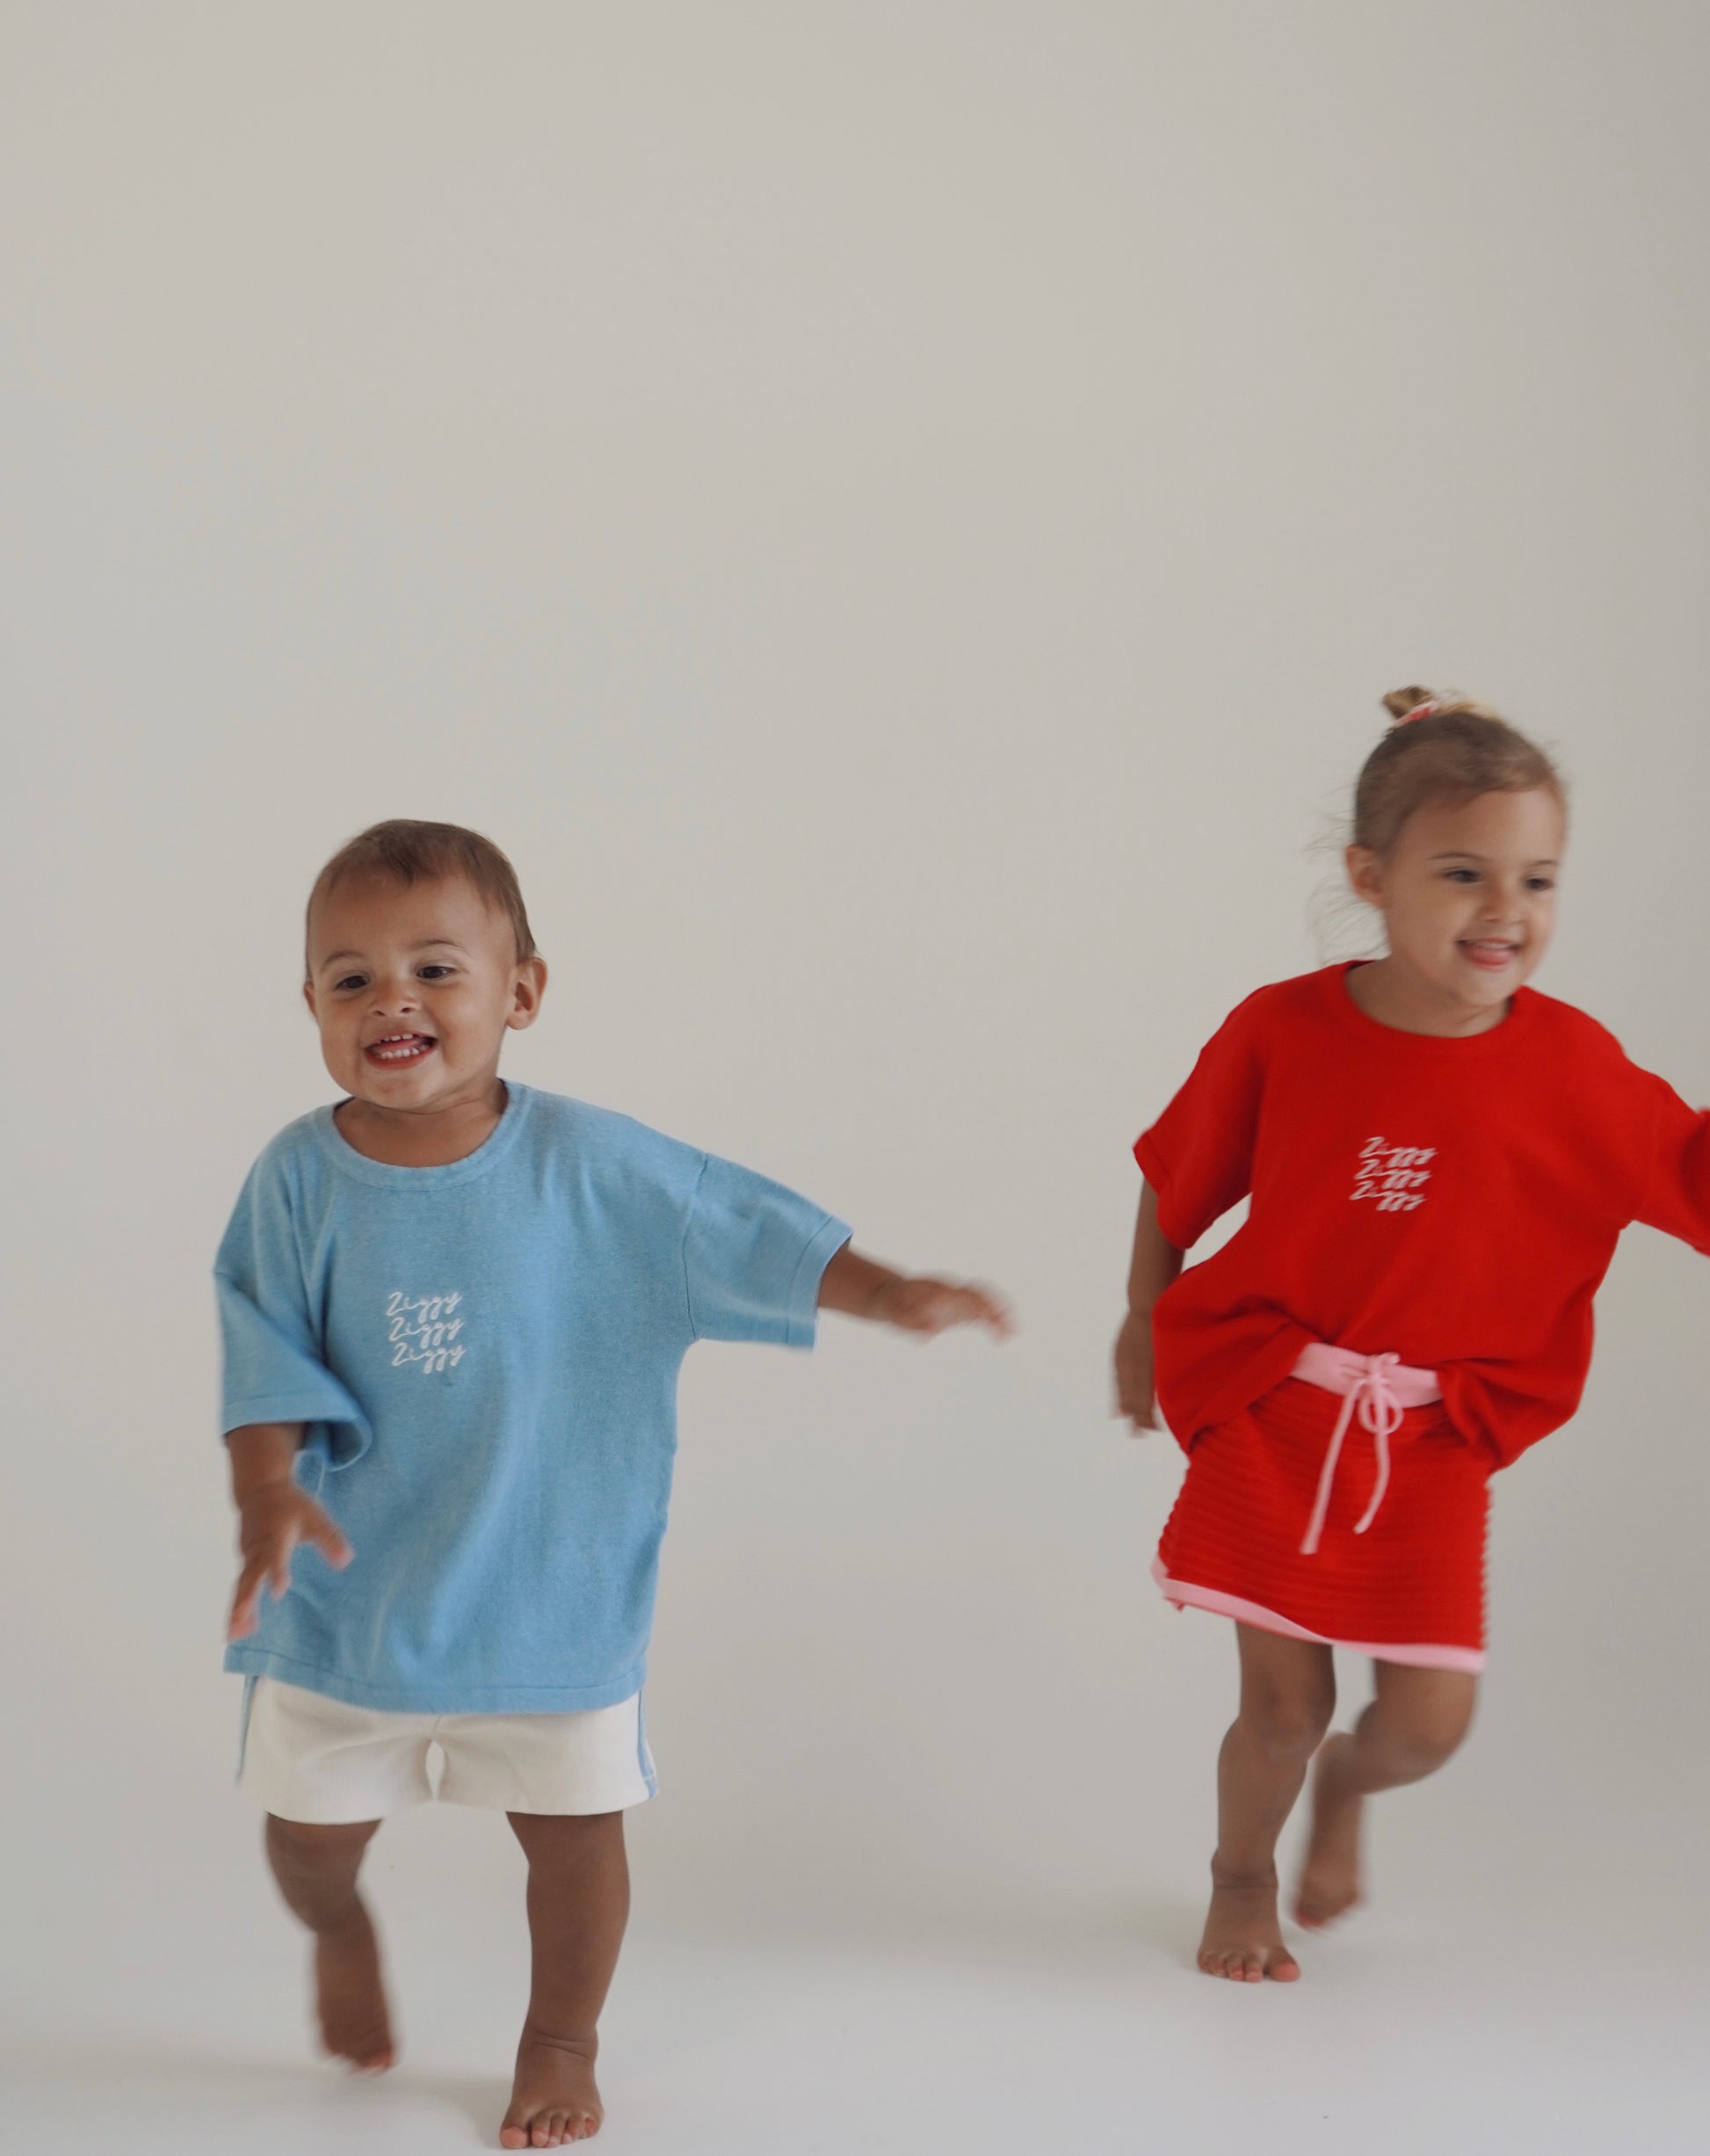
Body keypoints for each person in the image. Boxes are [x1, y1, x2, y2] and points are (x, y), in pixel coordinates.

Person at [220, 818, 1011, 2148]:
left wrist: (885, 1292)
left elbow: (744, 1229)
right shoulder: (298, 1179)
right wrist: (264, 1493)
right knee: (307, 1839)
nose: (392, 1000)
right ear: (311, 1006)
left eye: (434, 969)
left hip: (552, 1591)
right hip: (348, 1592)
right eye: (351, 979)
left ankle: (561, 2039)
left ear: (521, 991)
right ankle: (339, 1929)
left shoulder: (597, 1170)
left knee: (576, 1835)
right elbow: (263, 1345)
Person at [1112, 688, 1710, 1985]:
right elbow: (1175, 1180)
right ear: (1369, 877)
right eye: (1463, 873)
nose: (1506, 911)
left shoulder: (1577, 1071)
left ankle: (1348, 1787)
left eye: (1537, 880)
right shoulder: (1281, 1030)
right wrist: (1138, 1317)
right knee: (1283, 1706)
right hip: (1273, 1402)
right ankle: (1239, 1877)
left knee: (1428, 1723)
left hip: (1429, 1437)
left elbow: (1691, 1169)